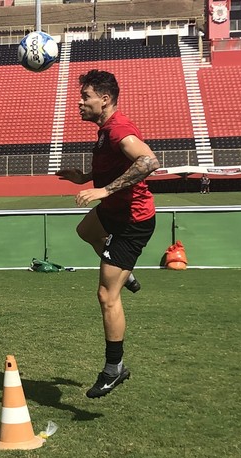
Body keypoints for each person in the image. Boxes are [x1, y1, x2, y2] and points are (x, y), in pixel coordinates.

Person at [55, 69, 159, 399]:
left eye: (85, 97)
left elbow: (148, 161)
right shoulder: (104, 132)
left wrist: (104, 191)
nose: (79, 102)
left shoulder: (119, 130)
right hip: (112, 214)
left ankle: (114, 369)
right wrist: (84, 177)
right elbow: (113, 167)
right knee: (85, 229)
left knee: (105, 296)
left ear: (105, 99)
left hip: (132, 222)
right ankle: (125, 275)